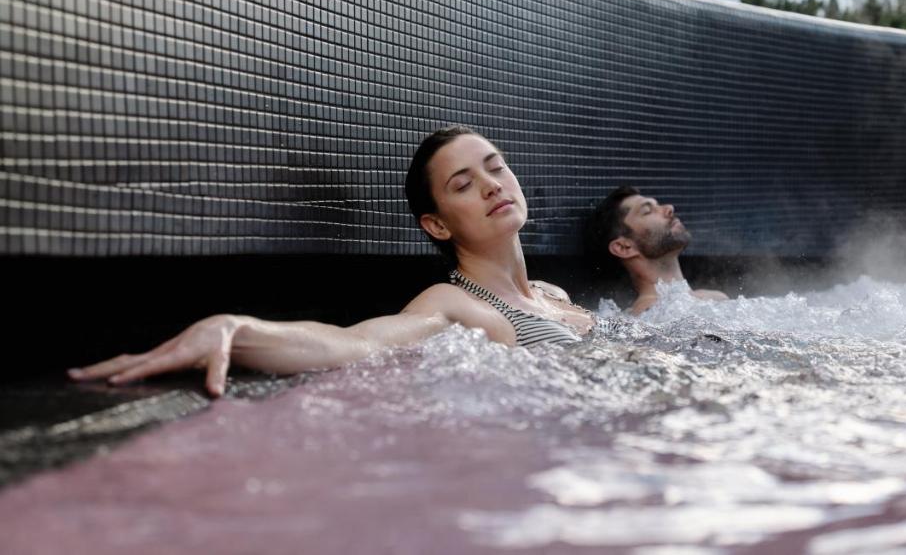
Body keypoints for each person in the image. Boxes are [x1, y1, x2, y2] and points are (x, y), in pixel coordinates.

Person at [69, 127, 595, 397]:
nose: (490, 185)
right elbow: (357, 343)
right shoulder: (455, 304)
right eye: (463, 184)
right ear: (436, 224)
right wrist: (238, 329)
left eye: (495, 167)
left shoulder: (553, 295)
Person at [585, 187, 728, 315]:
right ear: (624, 247)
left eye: (658, 205)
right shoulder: (645, 316)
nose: (669, 208)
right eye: (647, 211)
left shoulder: (717, 298)